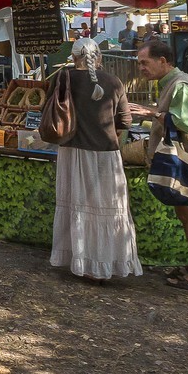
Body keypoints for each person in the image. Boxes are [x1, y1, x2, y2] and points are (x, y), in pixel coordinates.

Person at [50, 38, 142, 282]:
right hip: (106, 155)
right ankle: (105, 264)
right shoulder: (114, 82)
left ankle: (79, 261)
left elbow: (48, 111)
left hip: (73, 152)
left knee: (77, 205)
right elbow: (125, 122)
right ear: (99, 57)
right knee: (106, 209)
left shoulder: (62, 79)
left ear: (73, 58)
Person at [130, 36, 188, 290]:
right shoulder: (172, 83)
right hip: (186, 159)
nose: (141, 68)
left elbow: (185, 123)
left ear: (163, 61)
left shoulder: (181, 85)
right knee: (186, 214)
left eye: (145, 63)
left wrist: (151, 113)